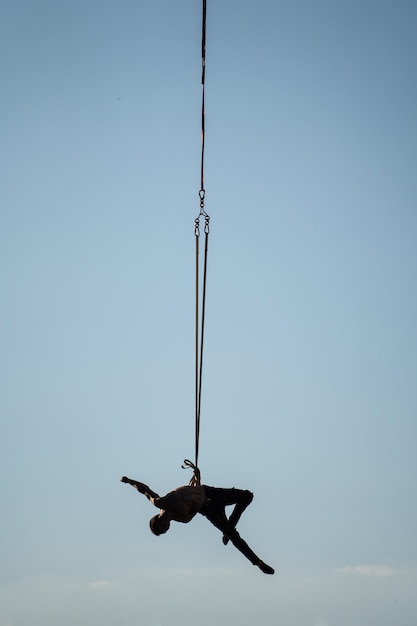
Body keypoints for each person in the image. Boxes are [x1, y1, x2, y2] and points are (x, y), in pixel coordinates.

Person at [120, 475, 274, 574]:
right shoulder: (183, 518)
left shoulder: (161, 502)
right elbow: (195, 508)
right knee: (234, 537)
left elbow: (145, 490)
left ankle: (230, 527)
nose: (167, 529)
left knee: (247, 496)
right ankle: (258, 562)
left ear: (158, 520)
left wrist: (129, 481)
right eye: (165, 531)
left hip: (211, 493)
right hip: (209, 510)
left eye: (163, 529)